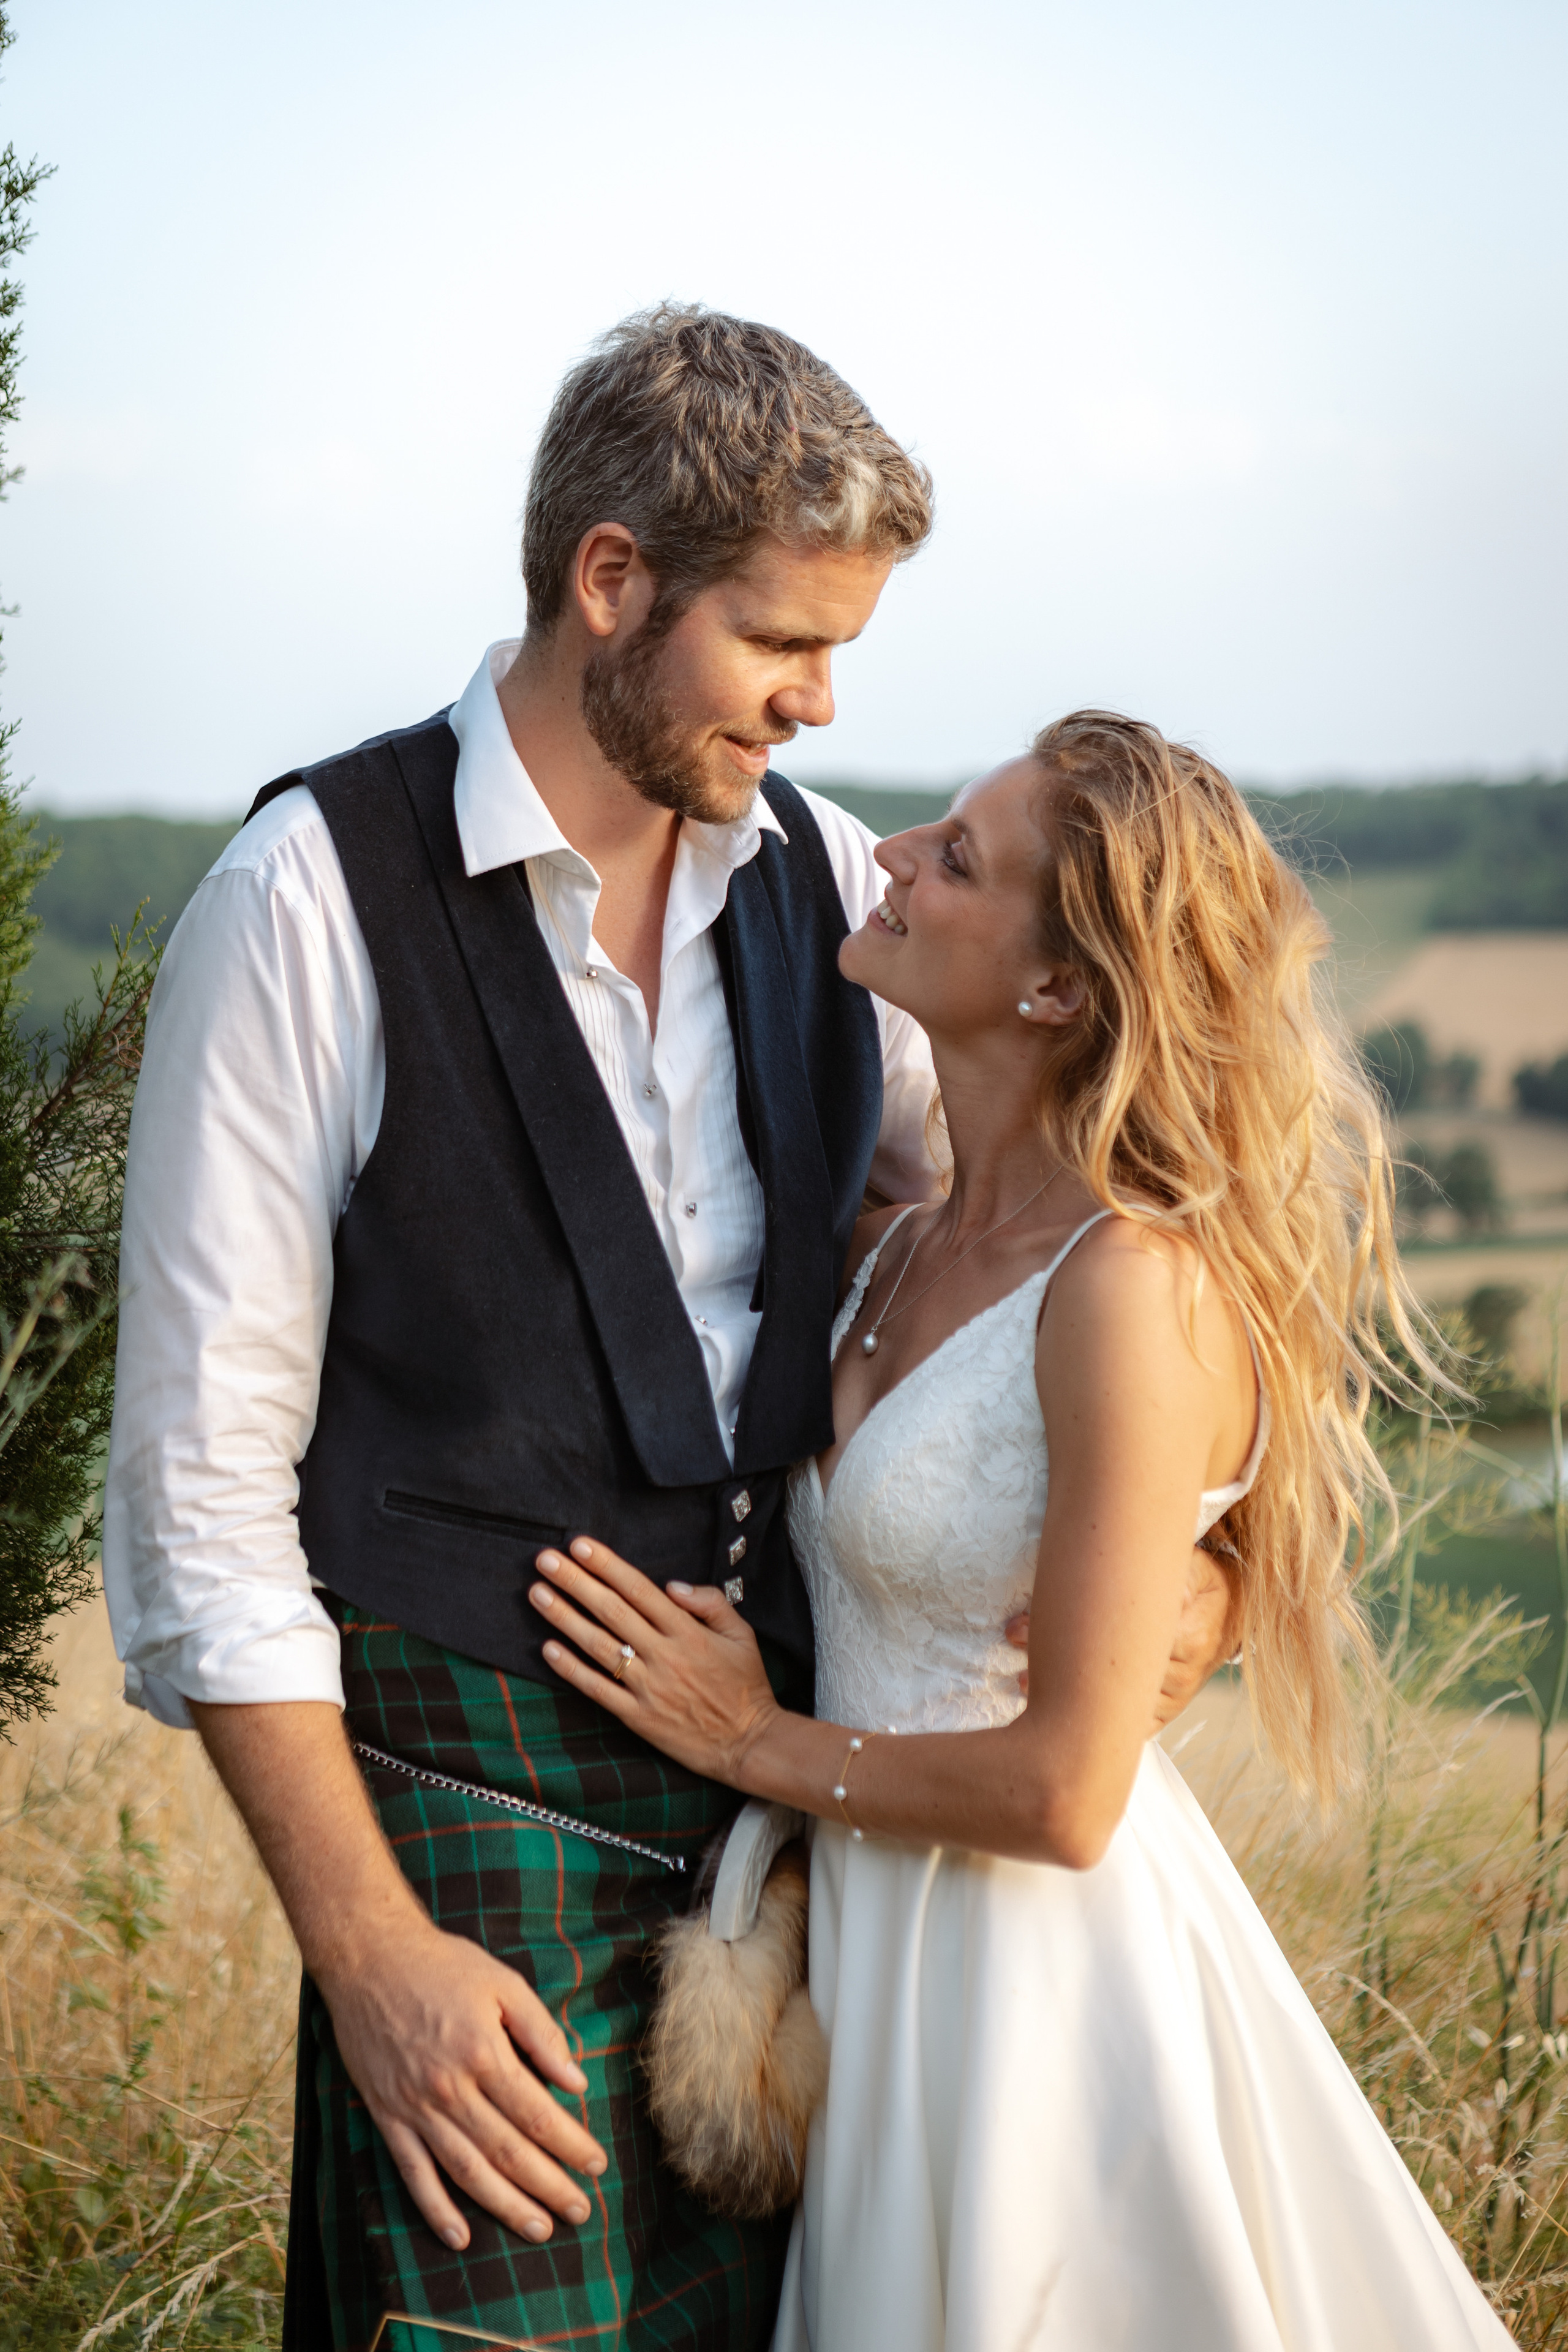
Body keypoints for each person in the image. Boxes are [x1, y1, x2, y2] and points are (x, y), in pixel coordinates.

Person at [102, 313, 1237, 2351]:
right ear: (607, 581)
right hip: (472, 1854)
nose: (818, 706)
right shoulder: (304, 900)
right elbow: (200, 1507)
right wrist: (370, 1955)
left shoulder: (821, 880)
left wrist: (1207, 1583)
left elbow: (1035, 1261)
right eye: (781, 643)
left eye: (845, 656)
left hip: (821, 1879)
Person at [527, 712, 1516, 2351]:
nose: (895, 859)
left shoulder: (1130, 1285)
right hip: (877, 1962)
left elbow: (1067, 1797)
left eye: (960, 858)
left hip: (1041, 1988)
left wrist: (757, 1743)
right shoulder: (897, 1243)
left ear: (1058, 989)